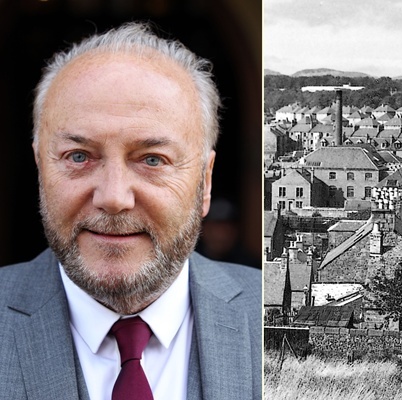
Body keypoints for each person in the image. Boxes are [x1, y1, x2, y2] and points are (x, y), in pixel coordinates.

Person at [0, 22, 261, 400]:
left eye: (152, 159)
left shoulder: (264, 321)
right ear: (41, 170)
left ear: (205, 182)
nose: (114, 197)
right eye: (79, 156)